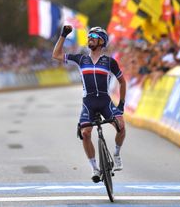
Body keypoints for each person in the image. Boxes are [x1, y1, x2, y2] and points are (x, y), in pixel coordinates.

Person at [52, 25, 126, 183]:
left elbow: (122, 82)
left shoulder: (109, 62)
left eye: (94, 36)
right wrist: (63, 35)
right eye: (89, 36)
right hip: (89, 103)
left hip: (105, 102)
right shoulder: (81, 59)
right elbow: (56, 55)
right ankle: (95, 168)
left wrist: (121, 104)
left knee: (121, 126)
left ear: (102, 41)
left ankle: (117, 154)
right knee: (85, 133)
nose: (90, 39)